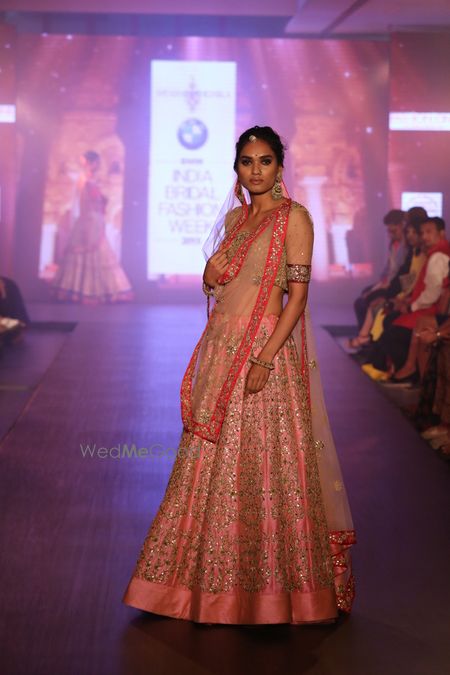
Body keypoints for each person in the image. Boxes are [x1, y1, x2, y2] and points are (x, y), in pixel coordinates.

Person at [122, 126, 356, 625]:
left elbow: (298, 298)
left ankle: (269, 594)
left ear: (279, 166)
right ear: (237, 168)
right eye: (247, 162)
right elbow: (220, 282)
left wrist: (267, 357)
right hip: (223, 347)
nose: (256, 170)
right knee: (208, 464)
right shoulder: (238, 218)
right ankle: (195, 588)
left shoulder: (295, 219)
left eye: (265, 161)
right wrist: (212, 271)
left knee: (266, 464)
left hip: (264, 349)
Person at [363, 217, 450, 377]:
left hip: (429, 309)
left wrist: (411, 306)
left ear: (441, 233)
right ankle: (391, 367)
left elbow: (432, 292)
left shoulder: (437, 257)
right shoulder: (431, 253)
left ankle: (404, 370)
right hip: (423, 304)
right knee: (389, 318)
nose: (424, 236)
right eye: (422, 232)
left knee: (394, 328)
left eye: (429, 232)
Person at [51, 151, 133, 304]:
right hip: (89, 219)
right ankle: (85, 291)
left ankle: (90, 290)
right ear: (91, 163)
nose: (97, 166)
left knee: (100, 252)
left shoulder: (89, 180)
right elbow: (88, 201)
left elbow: (98, 201)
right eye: (95, 162)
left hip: (93, 219)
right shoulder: (85, 180)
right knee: (92, 251)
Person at [353, 209, 408, 331]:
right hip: (388, 283)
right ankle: (365, 335)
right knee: (364, 295)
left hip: (397, 287)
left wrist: (384, 286)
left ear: (402, 226)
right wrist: (378, 285)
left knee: (364, 302)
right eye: (389, 231)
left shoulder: (407, 247)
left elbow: (402, 273)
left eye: (393, 231)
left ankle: (367, 337)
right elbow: (387, 269)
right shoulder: (393, 244)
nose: (390, 234)